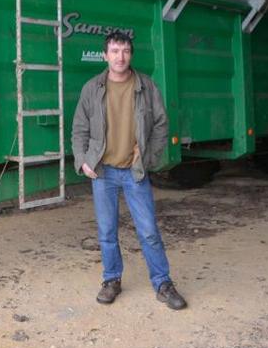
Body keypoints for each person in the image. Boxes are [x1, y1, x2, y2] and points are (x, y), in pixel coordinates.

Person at [71, 31, 187, 310]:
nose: (119, 57)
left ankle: (162, 283)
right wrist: (82, 160)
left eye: (124, 51)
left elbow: (161, 123)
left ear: (131, 55)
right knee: (107, 232)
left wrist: (149, 158)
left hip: (134, 171)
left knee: (148, 231)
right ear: (105, 55)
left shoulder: (146, 86)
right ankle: (111, 280)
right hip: (102, 172)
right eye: (114, 51)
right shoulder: (91, 88)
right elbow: (79, 128)